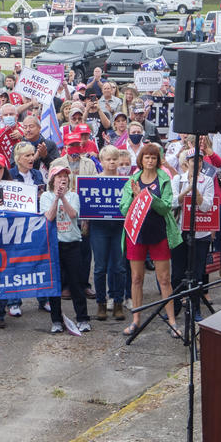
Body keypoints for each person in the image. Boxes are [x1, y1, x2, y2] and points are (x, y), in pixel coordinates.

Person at [119, 143, 181, 338]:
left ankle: (172, 321)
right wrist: (136, 198)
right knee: (137, 279)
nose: (150, 161)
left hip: (159, 233)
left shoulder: (164, 179)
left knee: (164, 279)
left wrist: (147, 197)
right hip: (136, 234)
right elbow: (123, 208)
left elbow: (165, 207)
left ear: (158, 160)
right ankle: (136, 320)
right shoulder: (132, 180)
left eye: (153, 157)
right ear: (141, 159)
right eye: (147, 157)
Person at [43, 164, 92, 334]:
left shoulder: (73, 196)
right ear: (52, 180)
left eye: (65, 176)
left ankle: (83, 319)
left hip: (72, 244)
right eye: (59, 176)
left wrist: (63, 198)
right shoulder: (46, 196)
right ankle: (56, 321)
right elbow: (48, 217)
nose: (63, 179)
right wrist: (56, 199)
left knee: (76, 283)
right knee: (55, 285)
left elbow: (73, 215)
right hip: (54, 245)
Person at [170, 148, 215, 316]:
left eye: (200, 161)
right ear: (186, 163)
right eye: (193, 161)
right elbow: (174, 202)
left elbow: (206, 206)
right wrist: (188, 188)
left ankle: (195, 308)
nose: (197, 164)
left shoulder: (208, 180)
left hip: (200, 233)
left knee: (197, 274)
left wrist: (196, 189)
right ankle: (174, 308)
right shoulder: (177, 179)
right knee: (177, 274)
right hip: (180, 232)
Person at [88, 145, 127, 321]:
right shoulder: (94, 180)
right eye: (108, 159)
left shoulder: (126, 181)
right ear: (101, 162)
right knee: (100, 267)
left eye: (114, 159)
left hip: (119, 227)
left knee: (119, 266)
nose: (111, 162)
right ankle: (101, 304)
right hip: (99, 228)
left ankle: (118, 302)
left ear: (119, 161)